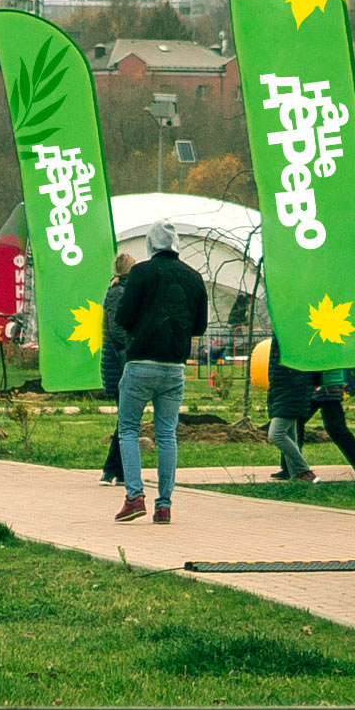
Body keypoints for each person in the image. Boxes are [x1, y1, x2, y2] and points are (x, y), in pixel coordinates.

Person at [109, 220, 208, 524]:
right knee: (167, 435)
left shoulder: (140, 273)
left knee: (128, 429)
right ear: (176, 244)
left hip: (140, 363)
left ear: (151, 245)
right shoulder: (194, 277)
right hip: (174, 367)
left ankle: (134, 496)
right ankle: (163, 505)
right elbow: (200, 326)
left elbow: (123, 317)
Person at [268, 361, 355, 484]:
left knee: (333, 428)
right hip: (326, 382)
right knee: (300, 422)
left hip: (324, 383)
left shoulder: (322, 341)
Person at [97, 253, 135, 486]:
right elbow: (119, 331)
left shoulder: (118, 291)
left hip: (117, 364)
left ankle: (119, 472)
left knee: (127, 418)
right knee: (127, 419)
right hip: (119, 365)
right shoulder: (118, 293)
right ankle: (110, 470)